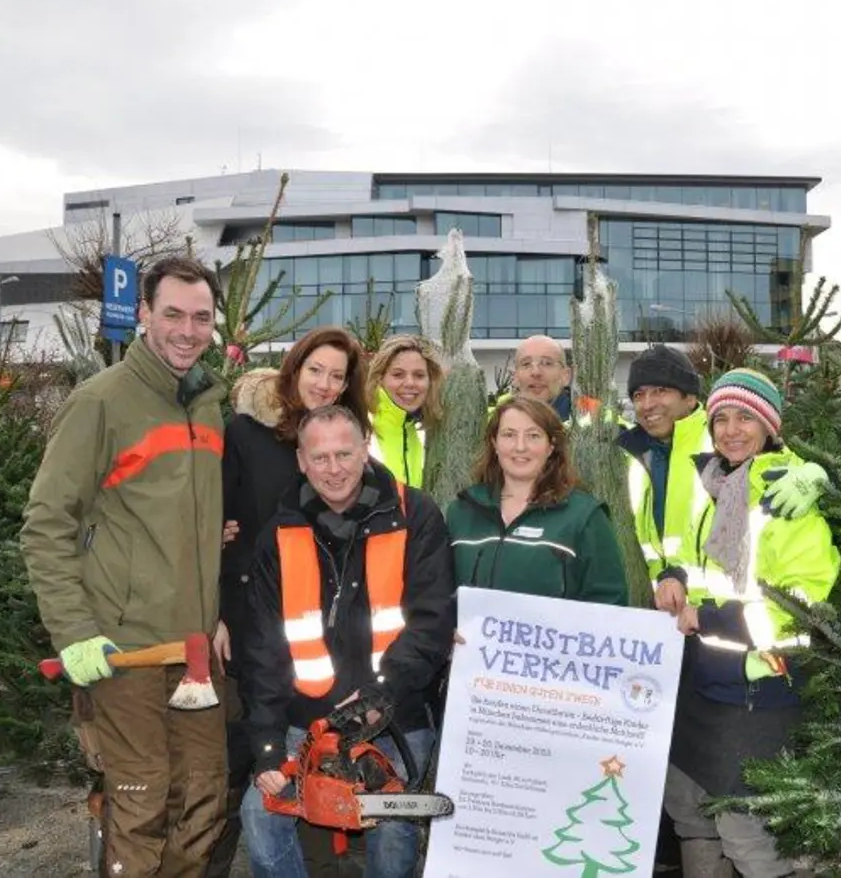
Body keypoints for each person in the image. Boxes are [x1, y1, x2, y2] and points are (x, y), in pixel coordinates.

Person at [21, 254, 228, 877]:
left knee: (204, 802)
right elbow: (46, 523)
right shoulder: (102, 402)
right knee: (140, 804)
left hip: (194, 653)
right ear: (143, 314)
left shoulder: (209, 403)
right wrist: (76, 634)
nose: (187, 330)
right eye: (173, 314)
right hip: (124, 651)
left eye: (201, 317)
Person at [236, 405, 455, 878]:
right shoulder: (280, 533)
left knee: (392, 830)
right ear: (301, 461)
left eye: (344, 454)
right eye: (320, 457)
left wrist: (384, 691)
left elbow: (432, 621)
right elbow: (262, 649)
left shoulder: (414, 514)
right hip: (304, 716)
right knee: (259, 815)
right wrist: (269, 745)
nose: (333, 469)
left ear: (364, 450)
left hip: (396, 712)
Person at [658, 369, 840, 878]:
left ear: (769, 427)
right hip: (706, 676)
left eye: (745, 418)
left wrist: (713, 616)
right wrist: (673, 578)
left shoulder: (785, 494)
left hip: (757, 683)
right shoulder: (713, 484)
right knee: (693, 810)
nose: (731, 430)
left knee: (746, 830)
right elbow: (701, 565)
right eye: (722, 419)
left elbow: (804, 596)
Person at [210, 327, 372, 876]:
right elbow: (217, 520)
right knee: (252, 750)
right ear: (294, 368)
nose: (325, 384)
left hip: (319, 624)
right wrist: (217, 610)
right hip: (252, 615)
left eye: (337, 376)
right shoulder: (247, 432)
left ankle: (316, 856)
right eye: (316, 370)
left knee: (319, 749)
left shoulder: (341, 440)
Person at [619, 346, 829, 597]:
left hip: (733, 623)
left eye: (661, 391)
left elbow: (779, 461)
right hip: (669, 612)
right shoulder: (632, 452)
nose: (648, 404)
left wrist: (818, 475)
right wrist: (674, 577)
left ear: (690, 397)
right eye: (639, 395)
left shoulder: (723, 453)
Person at [444, 396, 628, 605]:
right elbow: (436, 593)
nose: (520, 447)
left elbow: (609, 602)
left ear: (551, 446)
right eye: (509, 435)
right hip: (471, 639)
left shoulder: (584, 516)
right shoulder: (462, 512)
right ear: (494, 443)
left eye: (533, 436)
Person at [365, 334, 444, 488]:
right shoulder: (361, 426)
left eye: (419, 375)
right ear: (380, 378)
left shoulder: (427, 431)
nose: (409, 383)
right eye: (398, 375)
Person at [505, 334, 607, 424]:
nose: (536, 372)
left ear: (566, 376)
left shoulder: (593, 415)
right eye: (526, 364)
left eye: (547, 363)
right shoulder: (498, 418)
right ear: (515, 377)